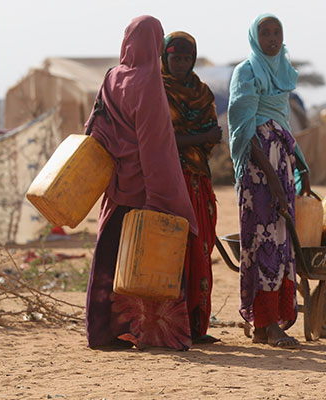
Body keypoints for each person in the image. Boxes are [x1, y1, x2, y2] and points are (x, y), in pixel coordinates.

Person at [84, 15, 199, 351]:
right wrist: (162, 197)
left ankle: (103, 332)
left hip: (115, 186)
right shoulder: (148, 82)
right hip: (144, 189)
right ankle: (154, 333)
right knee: (151, 261)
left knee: (108, 258)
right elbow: (154, 145)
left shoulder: (111, 77)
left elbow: (94, 127)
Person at [228, 13, 316, 349]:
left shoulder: (283, 70)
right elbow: (244, 131)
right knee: (262, 244)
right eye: (265, 33)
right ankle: (267, 322)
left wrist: (301, 167)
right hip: (258, 173)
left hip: (281, 167)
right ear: (254, 37)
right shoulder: (246, 72)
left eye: (277, 32)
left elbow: (284, 126)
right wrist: (273, 182)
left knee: (282, 245)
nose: (272, 39)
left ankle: (269, 324)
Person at [161, 31, 222, 344]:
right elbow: (162, 137)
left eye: (186, 58)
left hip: (199, 176)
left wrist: (202, 139)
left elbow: (215, 133)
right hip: (170, 181)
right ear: (165, 57)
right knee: (175, 251)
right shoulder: (158, 91)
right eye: (175, 57)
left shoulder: (201, 91)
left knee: (201, 249)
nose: (181, 64)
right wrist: (201, 138)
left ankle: (197, 326)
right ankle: (173, 324)